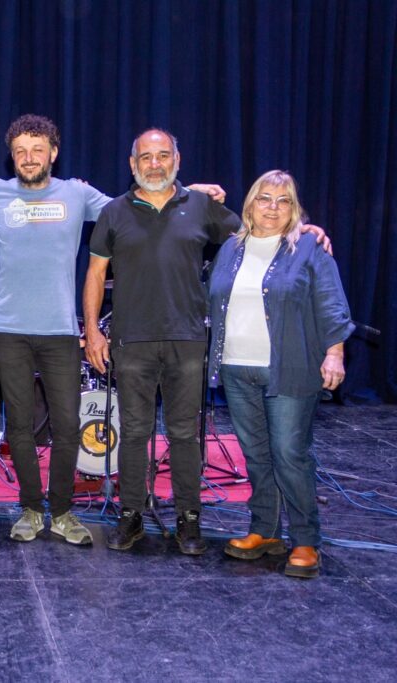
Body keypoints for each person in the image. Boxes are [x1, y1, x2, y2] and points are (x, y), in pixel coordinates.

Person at [0, 114, 225, 544]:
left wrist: (192, 194)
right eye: (20, 151)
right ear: (11, 157)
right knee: (20, 427)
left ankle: (63, 512)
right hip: (9, 329)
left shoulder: (77, 193)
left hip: (62, 330)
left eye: (37, 149)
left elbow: (143, 200)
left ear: (53, 152)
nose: (29, 157)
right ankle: (31, 509)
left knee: (67, 427)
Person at [83, 129, 329, 556]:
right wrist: (92, 330)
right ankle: (131, 514)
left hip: (189, 340)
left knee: (184, 434)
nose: (155, 164)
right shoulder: (114, 212)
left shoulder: (201, 206)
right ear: (132, 163)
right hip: (131, 340)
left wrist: (303, 229)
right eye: (146, 157)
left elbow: (260, 230)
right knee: (135, 431)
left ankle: (189, 518)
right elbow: (95, 273)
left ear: (177, 160)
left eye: (163, 155)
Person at [208, 171, 352, 578]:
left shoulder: (309, 247)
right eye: (264, 198)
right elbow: (211, 298)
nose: (272, 208)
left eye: (283, 200)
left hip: (290, 368)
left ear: (294, 209)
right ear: (250, 205)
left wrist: (335, 353)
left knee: (289, 453)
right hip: (236, 368)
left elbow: (331, 302)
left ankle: (305, 540)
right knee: (255, 454)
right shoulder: (231, 248)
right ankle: (265, 531)